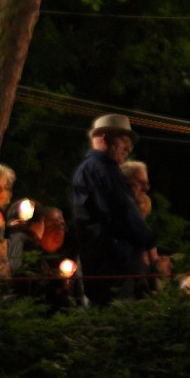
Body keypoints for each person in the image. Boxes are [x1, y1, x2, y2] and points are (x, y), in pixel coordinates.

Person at [72, 114, 155, 304]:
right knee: (120, 317)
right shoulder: (103, 170)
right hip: (114, 265)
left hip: (101, 264)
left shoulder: (92, 169)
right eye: (124, 141)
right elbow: (124, 214)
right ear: (105, 139)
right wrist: (149, 242)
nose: (128, 148)